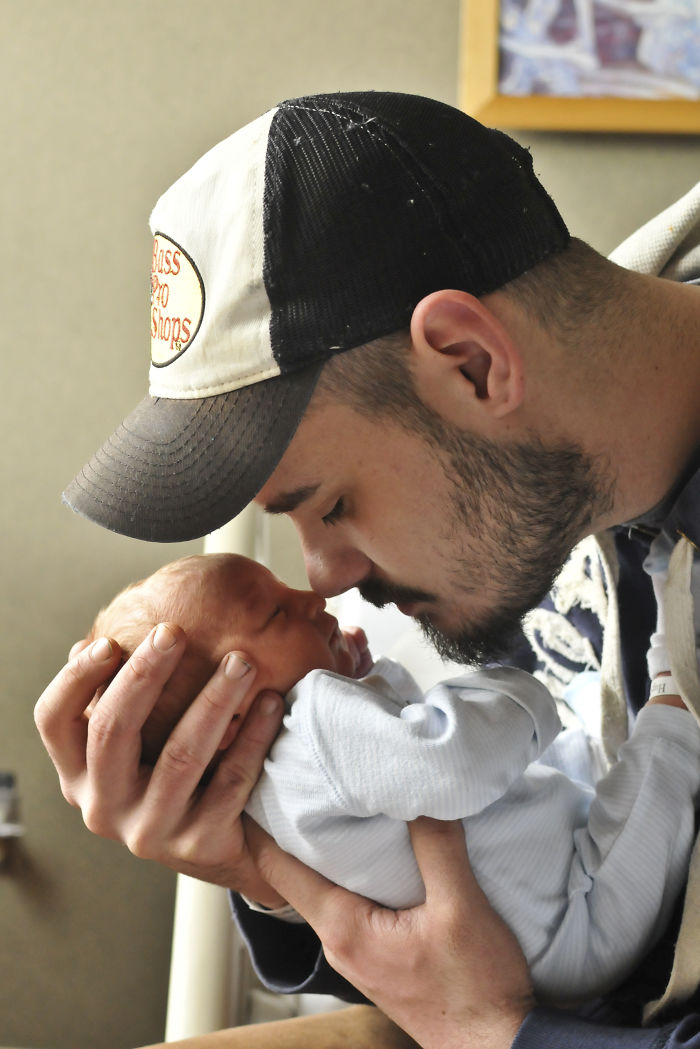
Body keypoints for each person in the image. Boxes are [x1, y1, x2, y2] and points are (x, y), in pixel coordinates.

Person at [34, 90, 700, 1049]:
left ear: (471, 363)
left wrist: (492, 1032)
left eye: (332, 503)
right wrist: (275, 867)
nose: (327, 576)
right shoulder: (539, 490)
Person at [88, 551, 699, 1006]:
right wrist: (516, 696)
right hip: (580, 913)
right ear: (226, 712)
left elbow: (378, 796)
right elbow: (455, 758)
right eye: (275, 610)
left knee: (585, 765)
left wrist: (365, 682)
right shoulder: (312, 728)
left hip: (537, 953)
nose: (313, 597)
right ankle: (674, 663)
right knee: (666, 744)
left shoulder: (258, 798)